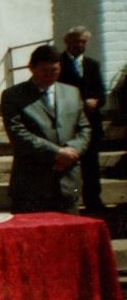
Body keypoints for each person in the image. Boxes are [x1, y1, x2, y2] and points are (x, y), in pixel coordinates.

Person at [0, 44, 91, 214]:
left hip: (68, 181)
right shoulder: (13, 95)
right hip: (32, 185)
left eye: (54, 70)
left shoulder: (72, 92)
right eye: (44, 71)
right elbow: (18, 133)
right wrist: (56, 153)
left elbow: (84, 128)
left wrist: (72, 151)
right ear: (31, 68)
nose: (49, 75)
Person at [58, 26, 107, 212]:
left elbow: (101, 94)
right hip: (68, 123)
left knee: (92, 165)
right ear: (67, 42)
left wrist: (96, 101)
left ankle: (93, 202)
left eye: (83, 42)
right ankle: (68, 202)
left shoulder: (92, 65)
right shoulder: (59, 64)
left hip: (91, 123)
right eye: (76, 41)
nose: (79, 45)